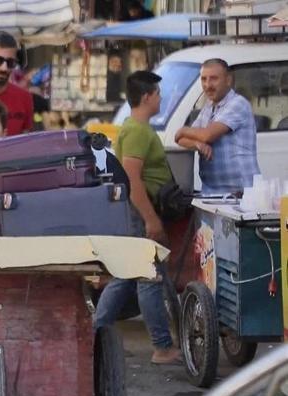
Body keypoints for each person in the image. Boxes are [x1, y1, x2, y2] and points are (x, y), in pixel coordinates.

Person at [94, 71, 181, 365]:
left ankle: (93, 335)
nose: (160, 98)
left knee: (126, 276)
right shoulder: (138, 131)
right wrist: (151, 219)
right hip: (139, 212)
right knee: (147, 278)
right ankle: (162, 346)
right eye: (157, 94)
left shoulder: (135, 127)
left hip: (136, 212)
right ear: (147, 97)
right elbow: (132, 177)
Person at [175, 58, 260, 195]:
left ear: (228, 80)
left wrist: (182, 130)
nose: (208, 85)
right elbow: (180, 140)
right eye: (204, 79)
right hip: (212, 192)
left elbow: (207, 135)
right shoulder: (209, 106)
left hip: (240, 193)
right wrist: (198, 144)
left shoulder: (237, 104)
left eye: (213, 79)